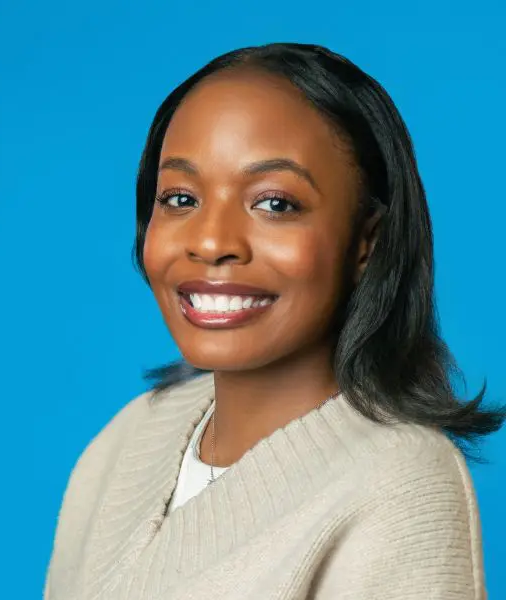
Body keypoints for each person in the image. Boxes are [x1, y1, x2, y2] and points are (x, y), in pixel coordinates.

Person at [44, 42, 506, 599]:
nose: (212, 241)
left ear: (367, 241)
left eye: (275, 204)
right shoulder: (129, 438)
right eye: (181, 198)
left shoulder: (401, 486)